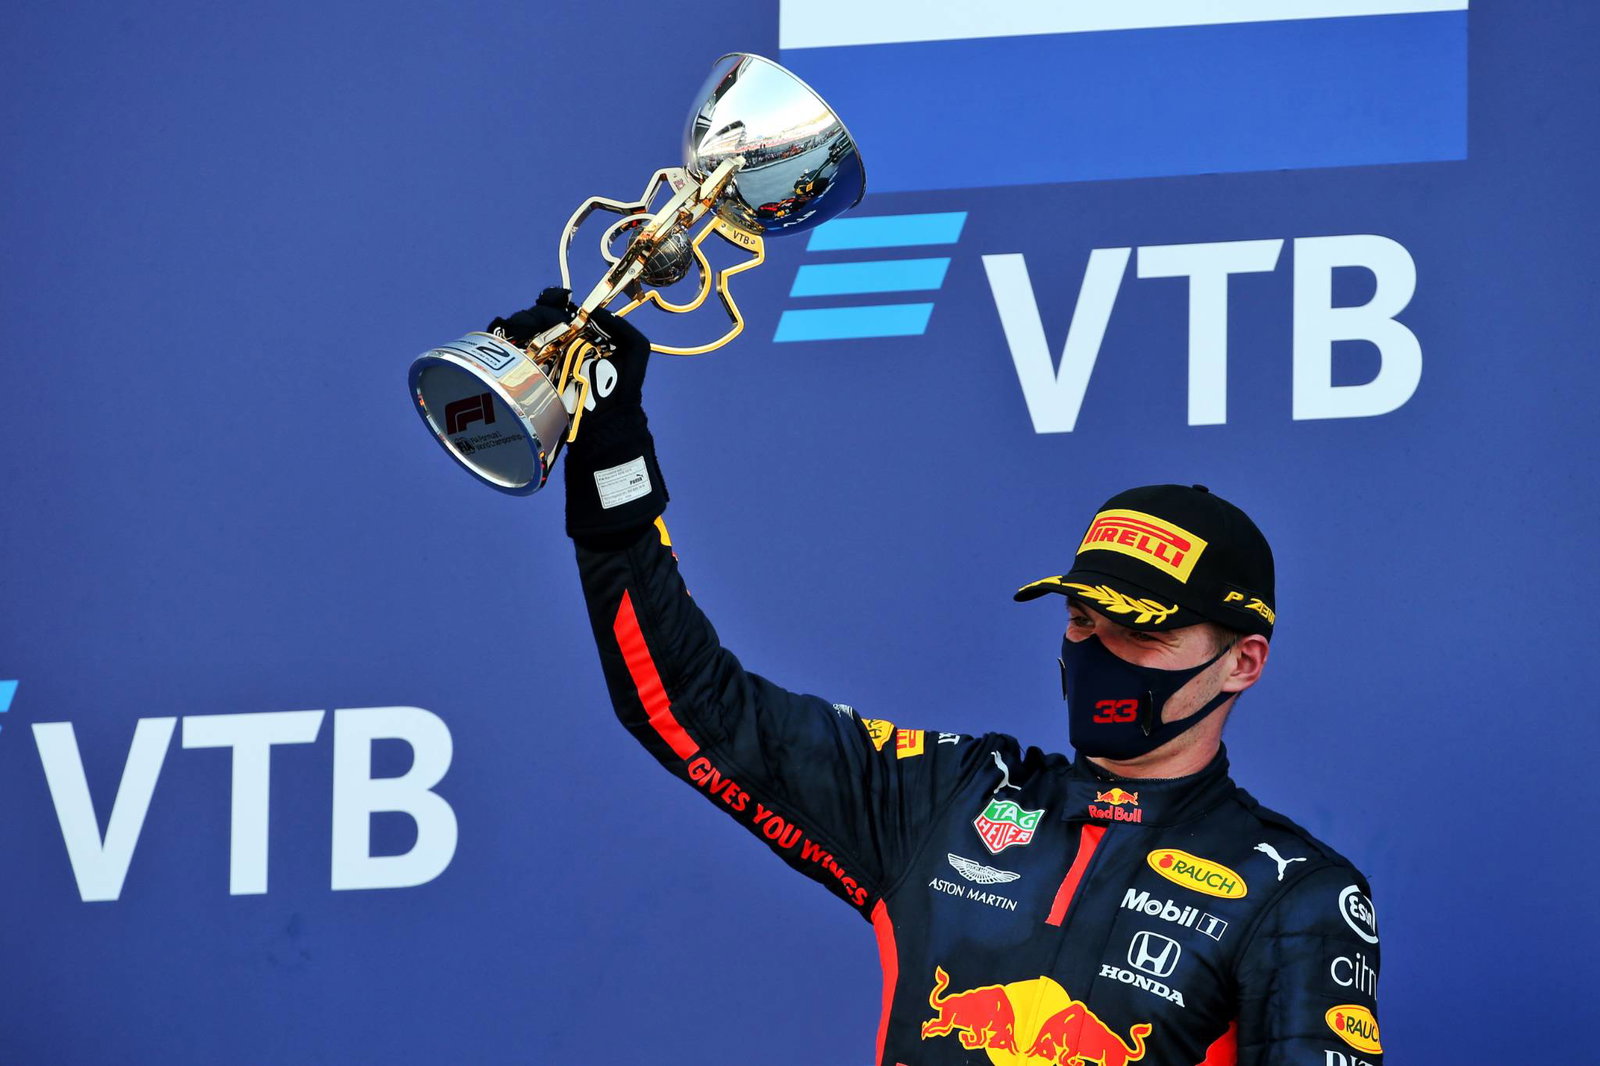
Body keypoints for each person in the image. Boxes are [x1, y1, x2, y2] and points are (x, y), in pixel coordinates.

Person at [494, 290, 1384, 1065]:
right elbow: (690, 706)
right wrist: (610, 459)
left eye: (1141, 632)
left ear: (1244, 660)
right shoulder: (948, 795)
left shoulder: (1294, 888)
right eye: (1083, 620)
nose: (1100, 649)